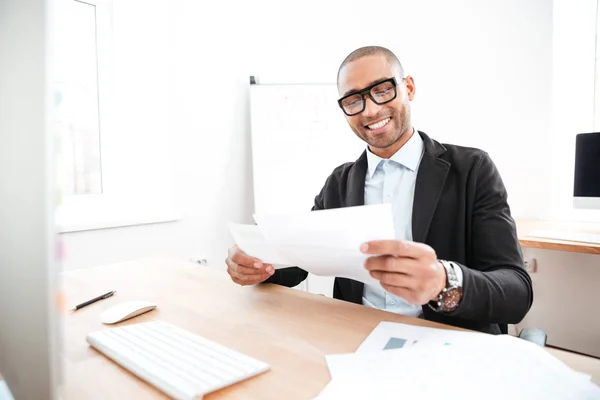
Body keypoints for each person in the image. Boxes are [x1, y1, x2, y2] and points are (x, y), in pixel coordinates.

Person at [225, 46, 533, 334]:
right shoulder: (340, 182)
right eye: (353, 100)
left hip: (448, 340)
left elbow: (516, 292)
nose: (370, 110)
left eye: (382, 90)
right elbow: (299, 263)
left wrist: (444, 282)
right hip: (360, 336)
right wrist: (260, 266)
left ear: (408, 88)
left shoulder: (472, 169)